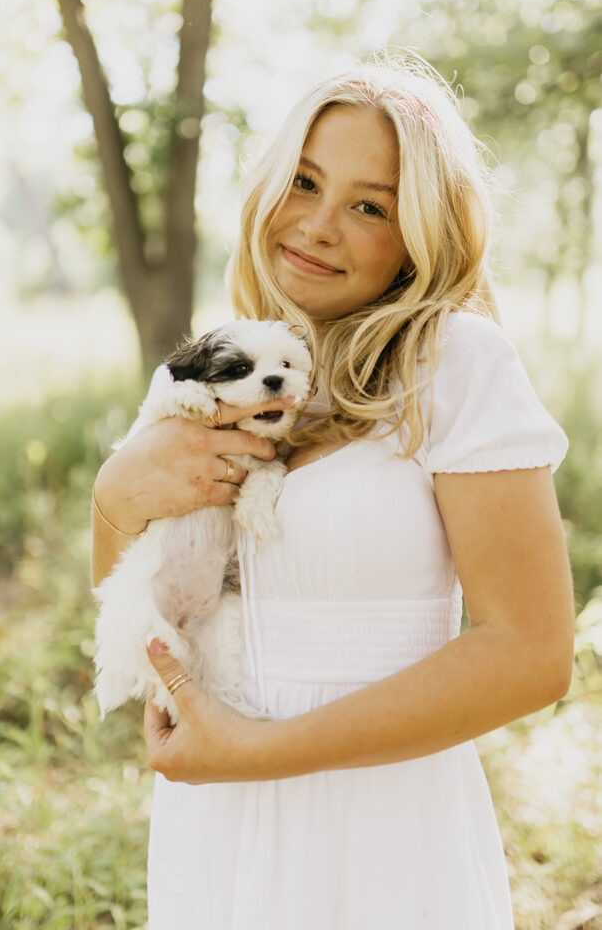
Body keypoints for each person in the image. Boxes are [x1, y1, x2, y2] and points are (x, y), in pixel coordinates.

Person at [91, 54, 574, 930]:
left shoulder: (454, 364)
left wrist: (265, 751)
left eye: (368, 206)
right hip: (216, 825)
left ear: (420, 233)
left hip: (378, 827)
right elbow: (136, 607)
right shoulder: (224, 363)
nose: (315, 226)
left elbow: (532, 653)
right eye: (303, 182)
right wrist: (114, 493)